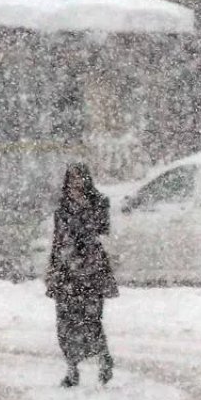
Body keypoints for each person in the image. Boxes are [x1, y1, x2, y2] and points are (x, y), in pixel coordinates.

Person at [45, 163, 118, 387]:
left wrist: (83, 244)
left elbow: (101, 232)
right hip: (66, 272)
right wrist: (54, 268)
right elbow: (58, 240)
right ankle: (72, 368)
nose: (75, 183)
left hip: (91, 270)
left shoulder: (98, 203)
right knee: (66, 322)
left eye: (79, 178)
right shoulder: (62, 208)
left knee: (91, 319)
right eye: (72, 178)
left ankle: (103, 358)